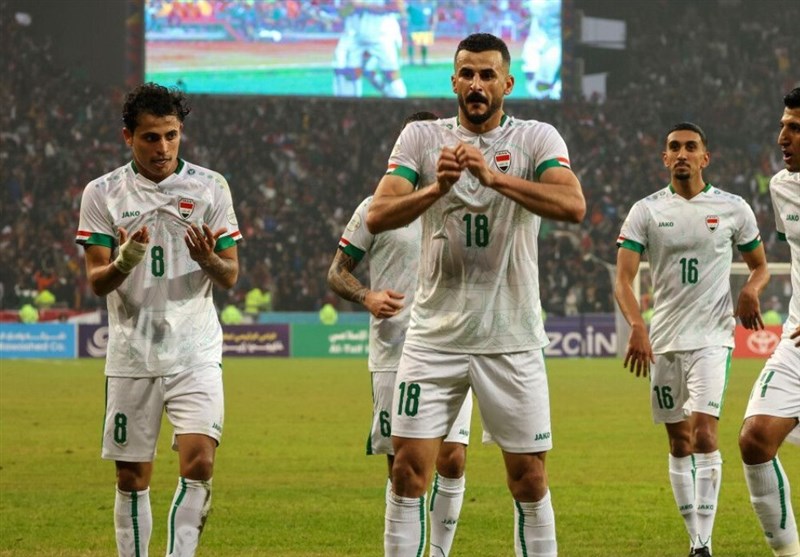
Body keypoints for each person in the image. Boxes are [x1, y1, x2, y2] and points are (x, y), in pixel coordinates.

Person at [366, 33, 585, 557]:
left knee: (529, 478)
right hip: (433, 338)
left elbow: (573, 205)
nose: (477, 84)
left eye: (488, 75)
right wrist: (435, 190)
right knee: (407, 471)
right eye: (467, 74)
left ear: (508, 83)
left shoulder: (536, 138)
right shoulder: (421, 138)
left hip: (511, 336)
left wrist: (493, 178)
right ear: (453, 82)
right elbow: (377, 214)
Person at [75, 82, 242, 557]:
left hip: (195, 351)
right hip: (134, 352)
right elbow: (97, 281)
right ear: (128, 136)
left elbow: (230, 275)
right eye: (151, 137)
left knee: (200, 462)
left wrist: (209, 259)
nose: (163, 148)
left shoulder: (211, 187)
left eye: (171, 135)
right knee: (132, 476)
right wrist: (125, 259)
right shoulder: (102, 193)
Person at [614, 122, 769, 557]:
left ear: (705, 157)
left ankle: (703, 544)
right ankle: (694, 536)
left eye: (690, 147)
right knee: (679, 442)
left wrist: (751, 289)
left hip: (712, 338)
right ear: (665, 158)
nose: (682, 153)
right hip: (664, 340)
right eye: (674, 147)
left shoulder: (733, 208)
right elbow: (623, 279)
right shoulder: (645, 211)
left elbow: (760, 266)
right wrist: (638, 326)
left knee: (703, 435)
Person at [327, 111, 472, 557]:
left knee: (453, 458)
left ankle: (439, 552)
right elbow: (337, 271)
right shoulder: (375, 209)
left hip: (451, 346)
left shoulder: (466, 202)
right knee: (404, 468)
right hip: (395, 351)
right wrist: (367, 296)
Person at [738, 87, 800, 557]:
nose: (782, 137)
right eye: (782, 126)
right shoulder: (782, 186)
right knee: (755, 438)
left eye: (794, 128)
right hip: (797, 341)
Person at [332, 0, 407, 98]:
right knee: (351, 73)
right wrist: (346, 10)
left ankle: (399, 101)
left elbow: (398, 8)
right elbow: (345, 12)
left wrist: (364, 5)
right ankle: (350, 106)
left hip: (383, 34)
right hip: (356, 35)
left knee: (391, 74)